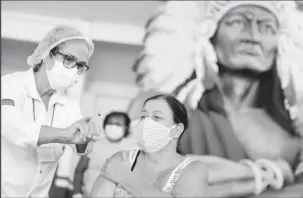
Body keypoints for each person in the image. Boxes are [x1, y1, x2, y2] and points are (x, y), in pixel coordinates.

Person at [127, 1, 303, 197]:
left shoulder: (294, 128)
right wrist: (269, 174)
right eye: (237, 23)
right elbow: (140, 175)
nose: (253, 37)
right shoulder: (162, 108)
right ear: (209, 33)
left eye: (266, 27)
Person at [1, 25, 101, 197]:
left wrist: (85, 136)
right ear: (47, 55)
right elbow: (15, 129)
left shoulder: (69, 104)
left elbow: (82, 147)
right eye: (69, 59)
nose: (74, 70)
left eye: (80, 66)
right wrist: (64, 134)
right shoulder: (9, 86)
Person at [91, 94, 208, 197]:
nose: (146, 123)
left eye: (157, 117)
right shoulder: (120, 158)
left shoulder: (194, 169)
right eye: (143, 116)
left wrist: (125, 178)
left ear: (177, 130)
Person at [83, 111, 138, 194]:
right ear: (104, 126)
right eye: (110, 123)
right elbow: (79, 171)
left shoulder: (133, 149)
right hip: (90, 193)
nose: (113, 126)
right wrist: (77, 193)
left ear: (126, 128)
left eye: (118, 124)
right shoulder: (94, 145)